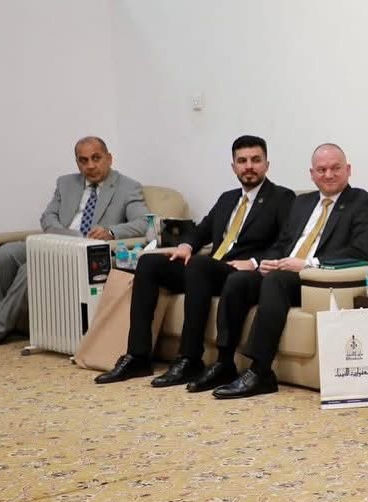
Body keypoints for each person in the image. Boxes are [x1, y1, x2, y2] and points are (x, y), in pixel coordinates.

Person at [95, 135, 295, 387]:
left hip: (239, 274)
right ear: (233, 166)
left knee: (200, 265)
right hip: (209, 269)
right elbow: (202, 230)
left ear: (267, 164)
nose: (249, 166)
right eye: (242, 161)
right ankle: (138, 356)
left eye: (255, 160)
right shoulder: (228, 198)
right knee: (149, 263)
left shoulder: (282, 198)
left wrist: (254, 262)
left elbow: (287, 242)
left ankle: (189, 358)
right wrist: (186, 246)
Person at [211, 143, 368, 399]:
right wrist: (266, 261)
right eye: (321, 170)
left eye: (335, 168)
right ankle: (224, 362)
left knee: (276, 281)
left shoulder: (364, 203)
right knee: (238, 281)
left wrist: (309, 263)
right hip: (284, 270)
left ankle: (260, 372)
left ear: (348, 170)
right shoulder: (302, 202)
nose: (328, 175)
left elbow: (361, 251)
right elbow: (282, 244)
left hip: (315, 279)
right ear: (312, 174)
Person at [0, 137, 149, 342]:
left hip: (87, 253)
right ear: (77, 163)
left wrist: (111, 232)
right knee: (5, 253)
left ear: (109, 158)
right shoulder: (65, 183)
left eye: (96, 158)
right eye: (83, 160)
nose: (90, 165)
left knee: (32, 268)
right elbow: (48, 216)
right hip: (59, 241)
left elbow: (143, 222)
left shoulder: (128, 187)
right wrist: (63, 233)